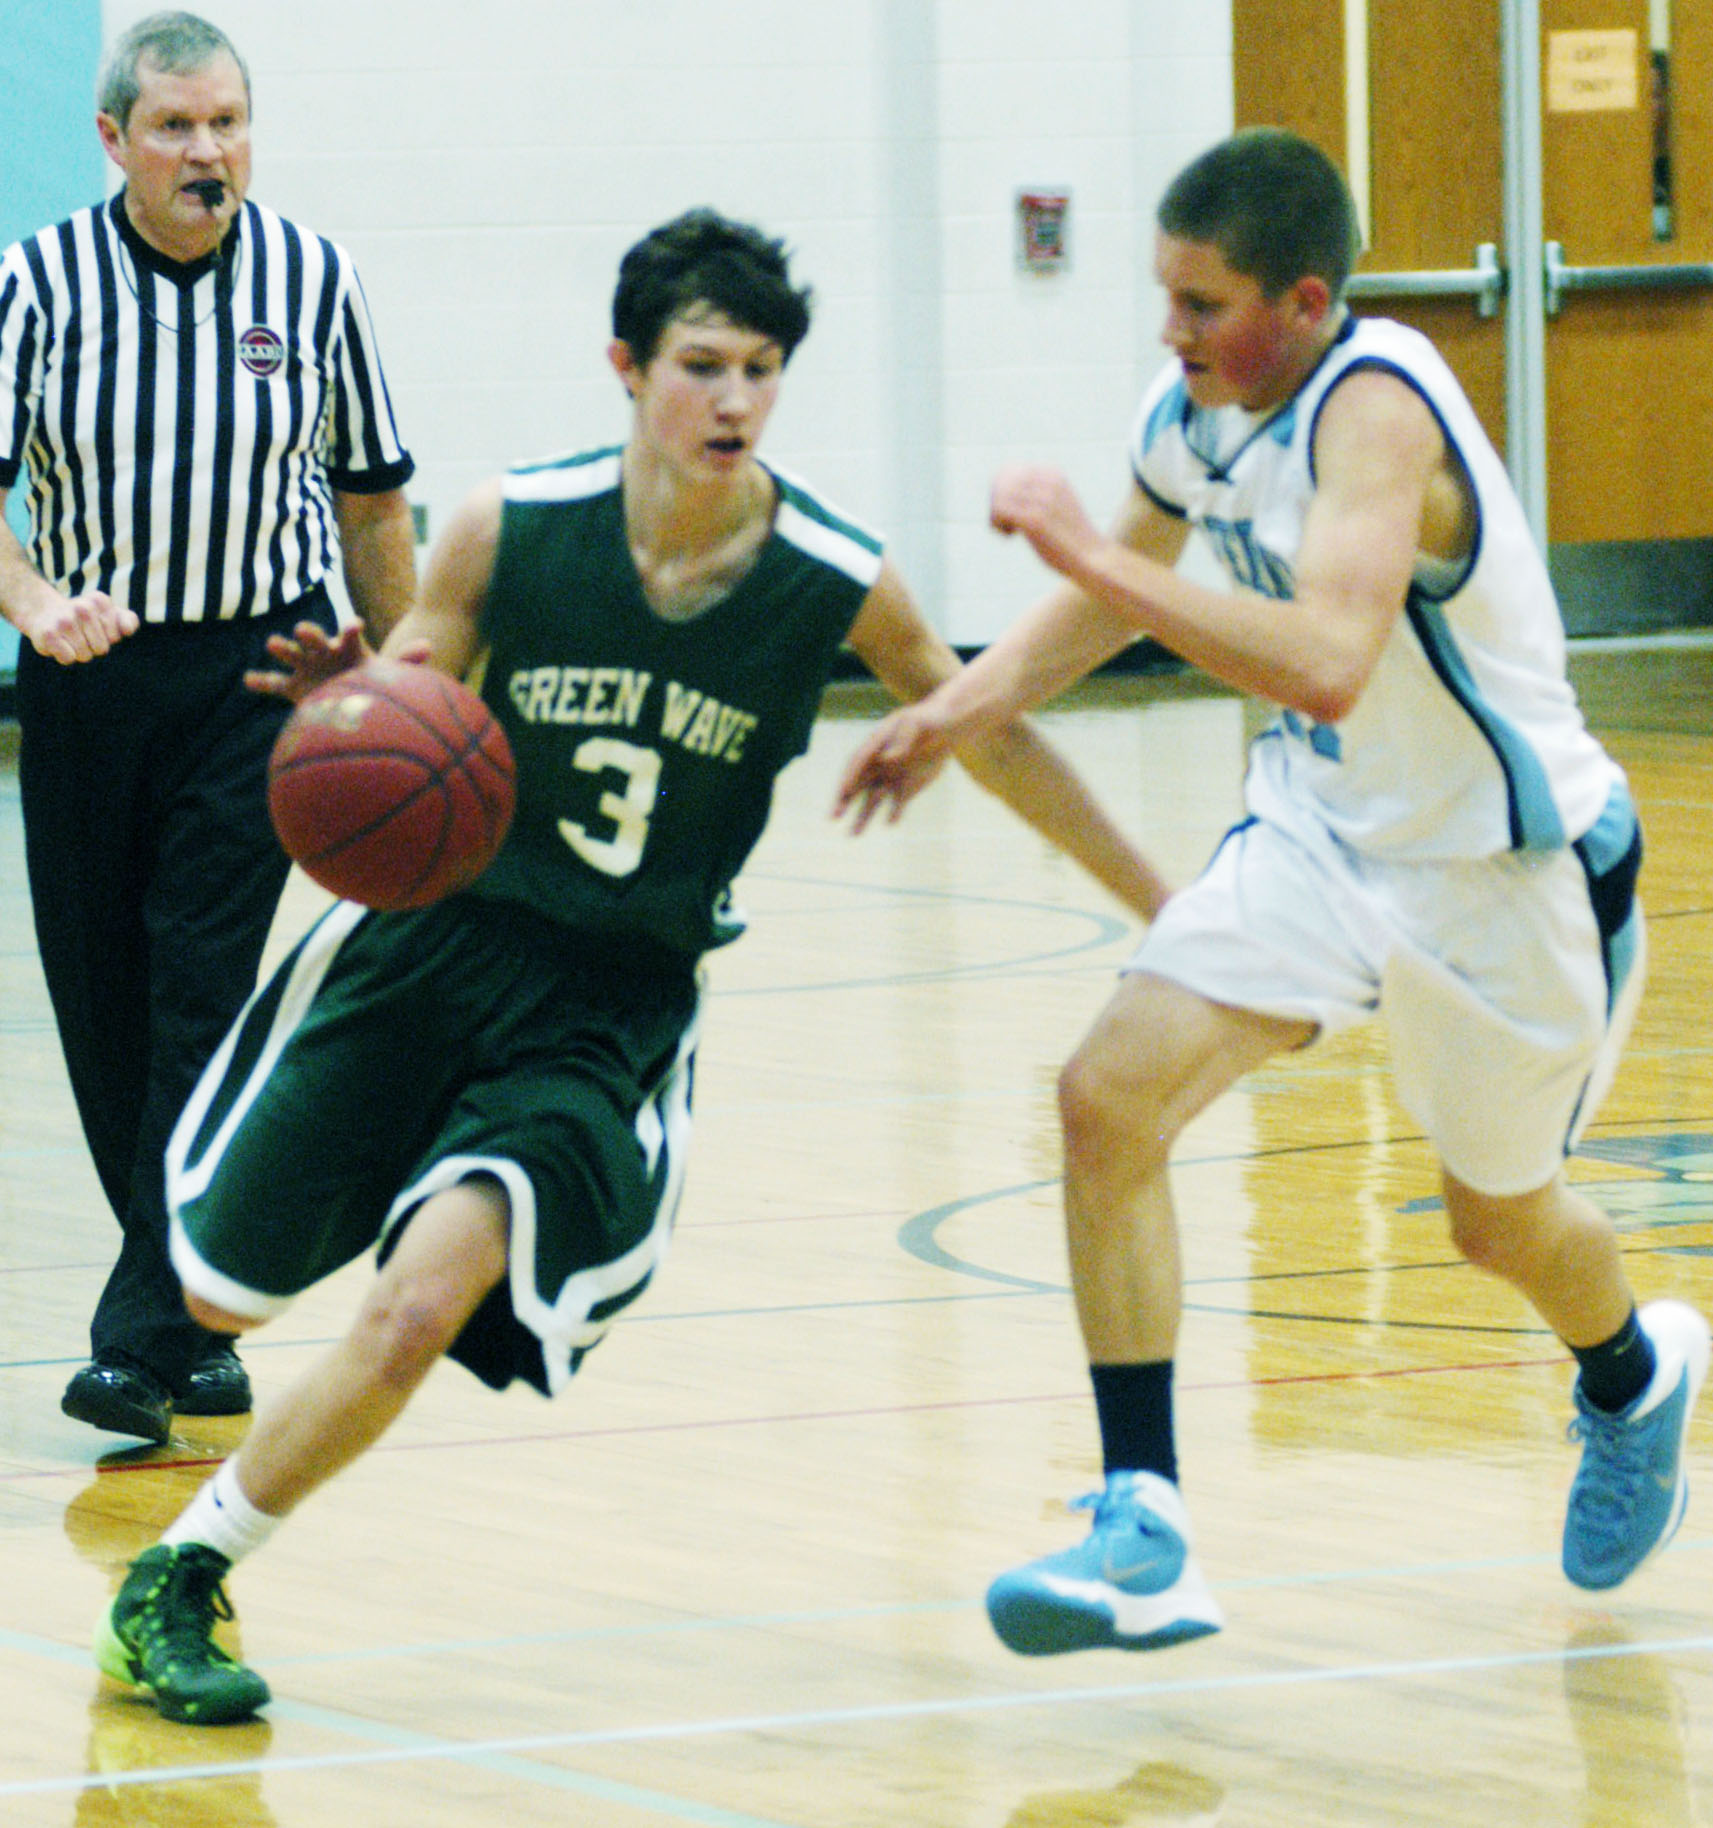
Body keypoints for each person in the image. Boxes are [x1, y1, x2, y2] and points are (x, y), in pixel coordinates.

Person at [90, 206, 1169, 1724]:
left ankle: (183, 1578)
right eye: (701, 366)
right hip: (434, 945)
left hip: (602, 1012)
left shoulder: (829, 575)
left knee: (416, 1308)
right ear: (625, 365)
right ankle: (198, 1414)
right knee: (213, 1295)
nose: (733, 401)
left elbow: (987, 727)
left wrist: (1161, 901)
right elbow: (403, 693)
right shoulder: (508, 527)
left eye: (762, 370)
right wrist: (353, 706)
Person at [837, 128, 1710, 1656]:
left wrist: (1087, 563)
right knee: (1105, 1100)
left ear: (1302, 301)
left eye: (1199, 302)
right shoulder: (1199, 410)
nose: (1167, 333)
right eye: (1164, 297)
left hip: (1504, 872)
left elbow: (1320, 655)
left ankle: (1632, 1376)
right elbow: (1111, 591)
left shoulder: (1378, 417)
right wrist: (949, 713)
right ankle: (1144, 1526)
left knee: (1493, 1224)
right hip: (1317, 832)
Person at [0, 12, 417, 1444]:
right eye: (176, 127)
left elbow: (370, 499)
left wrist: (401, 674)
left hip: (261, 676)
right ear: (113, 141)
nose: (207, 151)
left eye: (227, 122)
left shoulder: (314, 281)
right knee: (102, 1007)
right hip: (90, 678)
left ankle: (140, 1334)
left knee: (199, 992)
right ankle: (198, 1326)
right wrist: (32, 599)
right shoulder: (36, 285)